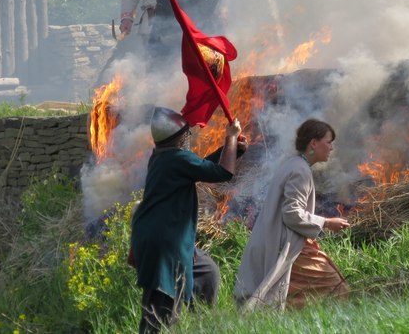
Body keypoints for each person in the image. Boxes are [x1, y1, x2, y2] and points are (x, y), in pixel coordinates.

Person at [130, 106, 242, 333]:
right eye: (186, 134)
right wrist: (231, 137)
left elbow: (203, 167)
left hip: (169, 239)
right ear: (179, 137)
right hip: (164, 243)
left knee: (208, 271)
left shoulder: (165, 156)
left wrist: (233, 150)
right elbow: (223, 173)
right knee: (160, 311)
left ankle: (198, 325)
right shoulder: (175, 158)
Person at [233, 118, 350, 311]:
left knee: (281, 298)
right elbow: (291, 214)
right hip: (287, 244)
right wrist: (328, 222)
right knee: (336, 287)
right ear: (314, 143)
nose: (331, 148)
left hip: (278, 242)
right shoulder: (300, 171)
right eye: (328, 142)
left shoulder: (294, 165)